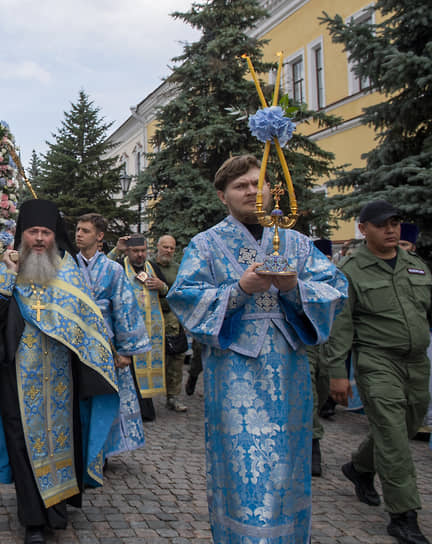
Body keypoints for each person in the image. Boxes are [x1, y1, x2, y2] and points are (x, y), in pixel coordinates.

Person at [167, 154, 347, 543]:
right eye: (240, 186)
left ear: (270, 189)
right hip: (234, 378)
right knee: (240, 466)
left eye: (256, 183)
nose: (251, 191)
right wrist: (238, 291)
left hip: (289, 373)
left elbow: (336, 288)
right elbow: (184, 298)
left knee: (288, 464)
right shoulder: (206, 244)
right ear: (223, 196)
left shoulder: (297, 242)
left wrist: (294, 289)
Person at [0, 199, 123, 544]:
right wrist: (5, 278)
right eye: (32, 232)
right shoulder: (7, 273)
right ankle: (33, 519)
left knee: (64, 441)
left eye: (45, 233)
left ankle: (58, 507)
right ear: (22, 236)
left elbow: (88, 321)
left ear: (54, 236)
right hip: (16, 378)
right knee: (22, 444)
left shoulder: (70, 274)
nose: (38, 239)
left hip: (63, 380)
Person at [325, 200, 432, 544]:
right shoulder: (352, 270)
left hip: (416, 361)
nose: (391, 229)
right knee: (393, 434)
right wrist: (338, 372)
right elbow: (341, 325)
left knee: (408, 424)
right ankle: (404, 516)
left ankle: (359, 468)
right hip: (376, 360)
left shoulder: (415, 265)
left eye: (396, 223)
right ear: (363, 228)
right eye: (383, 224)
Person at [73, 213, 150, 459]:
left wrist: (126, 351)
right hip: (73, 341)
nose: (79, 234)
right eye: (78, 229)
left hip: (106, 345)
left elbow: (126, 309)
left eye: (85, 230)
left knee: (104, 397)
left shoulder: (113, 269)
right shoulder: (67, 267)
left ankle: (102, 450)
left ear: (100, 236)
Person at [120, 235, 167, 421]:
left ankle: (146, 409)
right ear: (127, 251)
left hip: (151, 329)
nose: (140, 255)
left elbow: (169, 290)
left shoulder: (152, 268)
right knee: (131, 370)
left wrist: (161, 285)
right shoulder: (120, 266)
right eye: (135, 251)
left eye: (143, 251)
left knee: (146, 367)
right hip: (128, 328)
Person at [306, 238, 335, 477]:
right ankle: (313, 446)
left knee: (323, 383)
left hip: (326, 341)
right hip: (303, 338)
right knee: (310, 392)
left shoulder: (333, 276)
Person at [152, 234, 188, 413]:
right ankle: (147, 397)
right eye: (165, 246)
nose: (168, 250)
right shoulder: (148, 266)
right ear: (158, 246)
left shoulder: (178, 269)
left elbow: (182, 293)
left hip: (172, 319)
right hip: (151, 318)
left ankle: (173, 396)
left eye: (172, 248)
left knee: (176, 358)